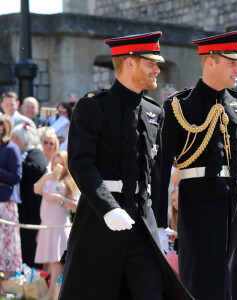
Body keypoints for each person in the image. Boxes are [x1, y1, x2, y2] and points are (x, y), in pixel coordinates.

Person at [59, 32, 194, 300]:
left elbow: (156, 174)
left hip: (142, 227)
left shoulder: (155, 112)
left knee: (150, 292)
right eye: (151, 63)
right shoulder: (92, 106)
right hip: (101, 223)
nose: (157, 68)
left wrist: (159, 224)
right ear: (130, 62)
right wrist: (108, 208)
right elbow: (80, 163)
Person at [159, 30, 237, 300]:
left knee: (233, 281)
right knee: (200, 281)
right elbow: (160, 167)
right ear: (210, 62)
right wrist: (158, 219)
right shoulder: (179, 106)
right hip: (197, 202)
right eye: (232, 62)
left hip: (233, 203)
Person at [34, 151, 79, 300]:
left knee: (56, 262)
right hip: (47, 226)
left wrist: (60, 199)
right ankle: (52, 293)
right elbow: (36, 189)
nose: (57, 166)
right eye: (55, 162)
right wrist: (47, 176)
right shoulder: (48, 180)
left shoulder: (69, 182)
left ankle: (52, 295)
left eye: (60, 163)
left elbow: (77, 205)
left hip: (59, 227)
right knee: (51, 262)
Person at [11, 123, 48, 268]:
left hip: (32, 209)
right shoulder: (18, 155)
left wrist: (16, 163)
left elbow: (37, 168)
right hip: (21, 207)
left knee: (30, 245)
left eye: (17, 138)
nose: (14, 141)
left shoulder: (35, 153)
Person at [0, 114, 22, 294]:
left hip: (5, 204)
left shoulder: (11, 148)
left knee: (6, 246)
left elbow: (16, 176)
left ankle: (7, 286)